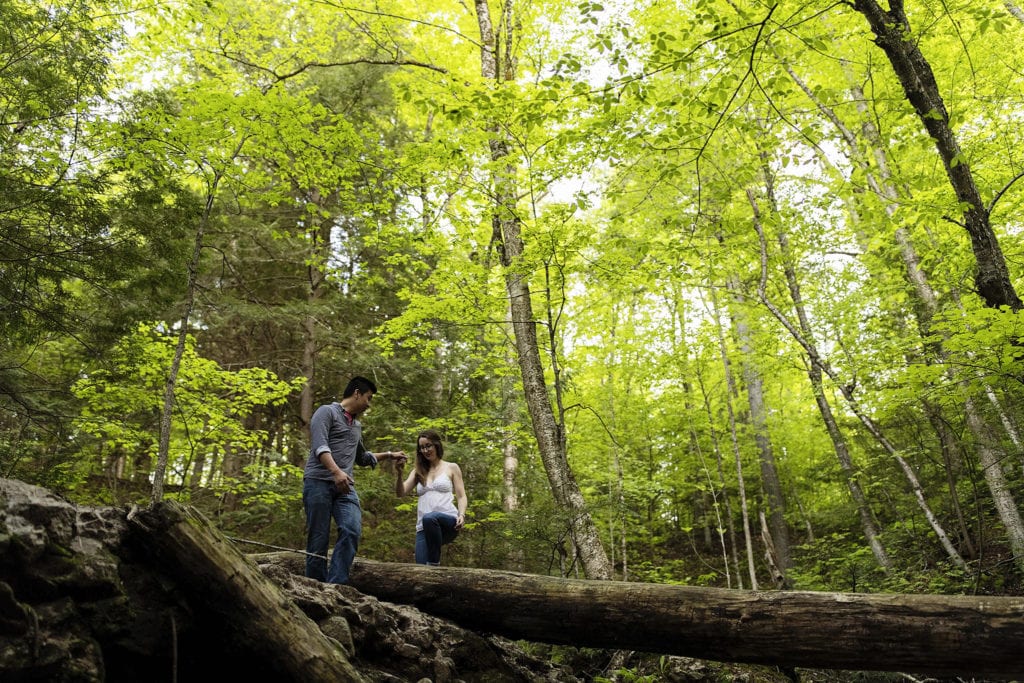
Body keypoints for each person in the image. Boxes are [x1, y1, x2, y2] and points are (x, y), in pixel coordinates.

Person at [303, 375, 406, 584]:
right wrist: (336, 472)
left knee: (351, 529)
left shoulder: (356, 427)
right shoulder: (326, 412)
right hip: (318, 482)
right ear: (357, 393)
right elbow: (320, 447)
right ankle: (313, 588)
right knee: (318, 539)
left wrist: (389, 454)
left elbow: (362, 457)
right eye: (368, 398)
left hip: (344, 487)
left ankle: (335, 587)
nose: (369, 404)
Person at [394, 429, 467, 565]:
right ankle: (434, 568)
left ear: (436, 445)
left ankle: (434, 563)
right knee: (421, 570)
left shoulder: (451, 467)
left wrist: (461, 515)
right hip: (423, 526)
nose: (425, 450)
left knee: (430, 517)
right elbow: (400, 493)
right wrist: (399, 474)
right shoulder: (418, 472)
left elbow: (461, 496)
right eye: (422, 447)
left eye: (428, 445)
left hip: (448, 521)